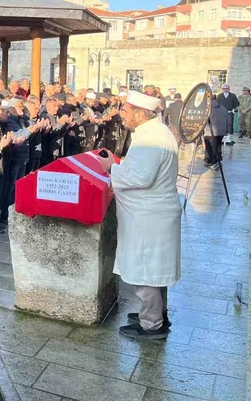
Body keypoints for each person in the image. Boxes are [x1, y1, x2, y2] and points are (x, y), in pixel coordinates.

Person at [96, 90, 181, 340]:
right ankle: (156, 313)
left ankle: (151, 324)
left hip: (148, 216)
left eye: (125, 111)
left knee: (146, 269)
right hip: (151, 213)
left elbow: (141, 177)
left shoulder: (151, 138)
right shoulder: (153, 132)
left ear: (140, 114)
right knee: (155, 268)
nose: (121, 114)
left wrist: (111, 167)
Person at [203, 98, 229, 170]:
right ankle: (218, 161)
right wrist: (227, 130)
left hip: (209, 132)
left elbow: (203, 120)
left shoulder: (207, 108)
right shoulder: (223, 108)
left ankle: (214, 162)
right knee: (217, 146)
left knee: (210, 148)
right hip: (221, 132)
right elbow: (228, 120)